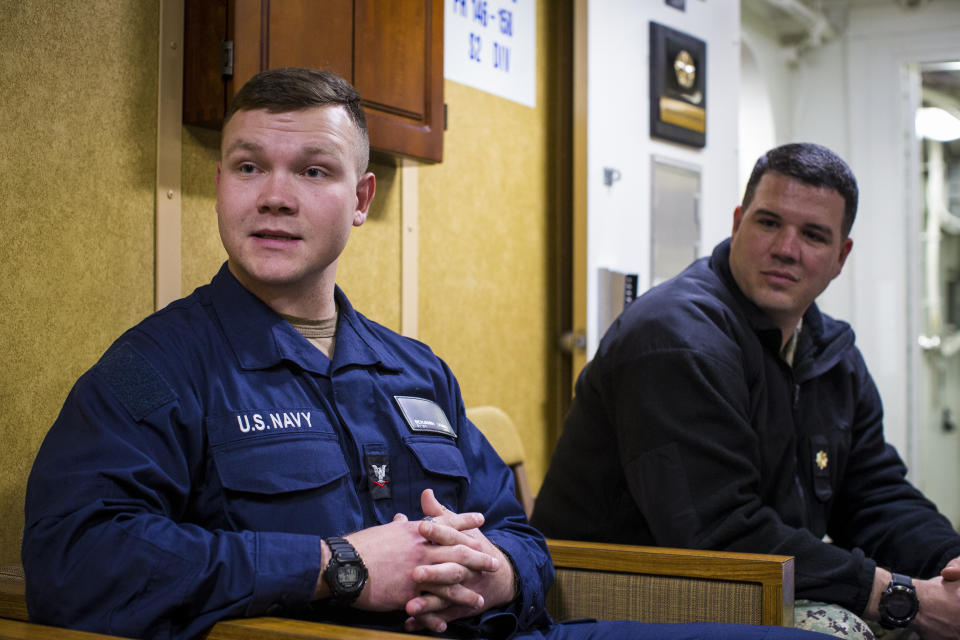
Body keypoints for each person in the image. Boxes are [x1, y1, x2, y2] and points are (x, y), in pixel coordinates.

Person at [22, 68, 833, 640]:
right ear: (223, 186)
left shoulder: (413, 369)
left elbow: (522, 531)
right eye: (247, 167)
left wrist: (498, 574)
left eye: (312, 170)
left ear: (362, 199)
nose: (274, 194)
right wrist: (333, 566)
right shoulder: (157, 366)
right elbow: (74, 559)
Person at [531, 143, 960, 640]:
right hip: (618, 595)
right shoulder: (675, 338)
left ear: (841, 256)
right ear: (738, 223)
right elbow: (719, 533)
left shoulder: (829, 354)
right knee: (848, 630)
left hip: (752, 579)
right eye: (769, 222)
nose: (785, 248)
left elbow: (875, 495)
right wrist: (898, 596)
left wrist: (948, 565)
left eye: (814, 235)